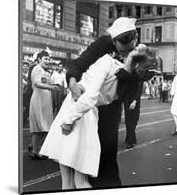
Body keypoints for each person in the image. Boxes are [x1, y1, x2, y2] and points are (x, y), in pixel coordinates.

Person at [40, 45, 157, 189]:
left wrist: (69, 120)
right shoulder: (127, 78)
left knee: (74, 180)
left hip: (78, 111)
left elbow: (89, 97)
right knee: (75, 180)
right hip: (83, 112)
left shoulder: (109, 64)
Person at [63, 17, 156, 188]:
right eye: (122, 50)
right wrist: (72, 80)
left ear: (135, 40)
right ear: (113, 41)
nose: (124, 54)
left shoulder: (136, 54)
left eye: (129, 50)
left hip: (111, 107)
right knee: (78, 157)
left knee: (107, 153)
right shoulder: (102, 45)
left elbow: (131, 83)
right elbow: (80, 62)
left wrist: (133, 64)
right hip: (88, 106)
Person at [29, 50, 60, 160]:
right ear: (39, 60)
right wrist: (51, 87)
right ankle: (35, 151)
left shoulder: (46, 71)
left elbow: (48, 83)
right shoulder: (36, 68)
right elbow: (37, 83)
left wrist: (54, 86)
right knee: (38, 127)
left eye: (48, 59)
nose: (47, 61)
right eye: (45, 59)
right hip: (38, 100)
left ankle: (37, 149)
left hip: (46, 101)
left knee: (45, 127)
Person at [123, 82, 143, 149]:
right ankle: (130, 141)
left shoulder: (139, 76)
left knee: (135, 119)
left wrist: (134, 101)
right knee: (129, 120)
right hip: (127, 99)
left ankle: (129, 137)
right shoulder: (127, 75)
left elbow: (139, 90)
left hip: (135, 100)